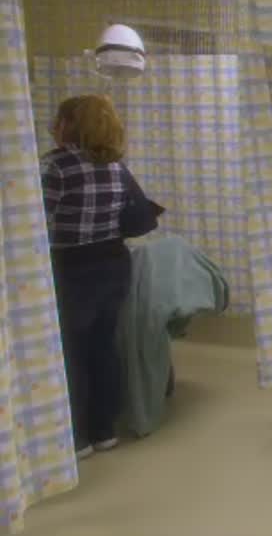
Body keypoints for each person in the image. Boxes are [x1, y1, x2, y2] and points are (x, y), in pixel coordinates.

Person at [41, 95, 143, 459]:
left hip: (73, 267)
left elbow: (34, 218)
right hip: (114, 264)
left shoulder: (56, 167)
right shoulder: (117, 167)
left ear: (68, 124)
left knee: (72, 351)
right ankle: (104, 430)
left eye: (57, 119)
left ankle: (77, 436)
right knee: (103, 346)